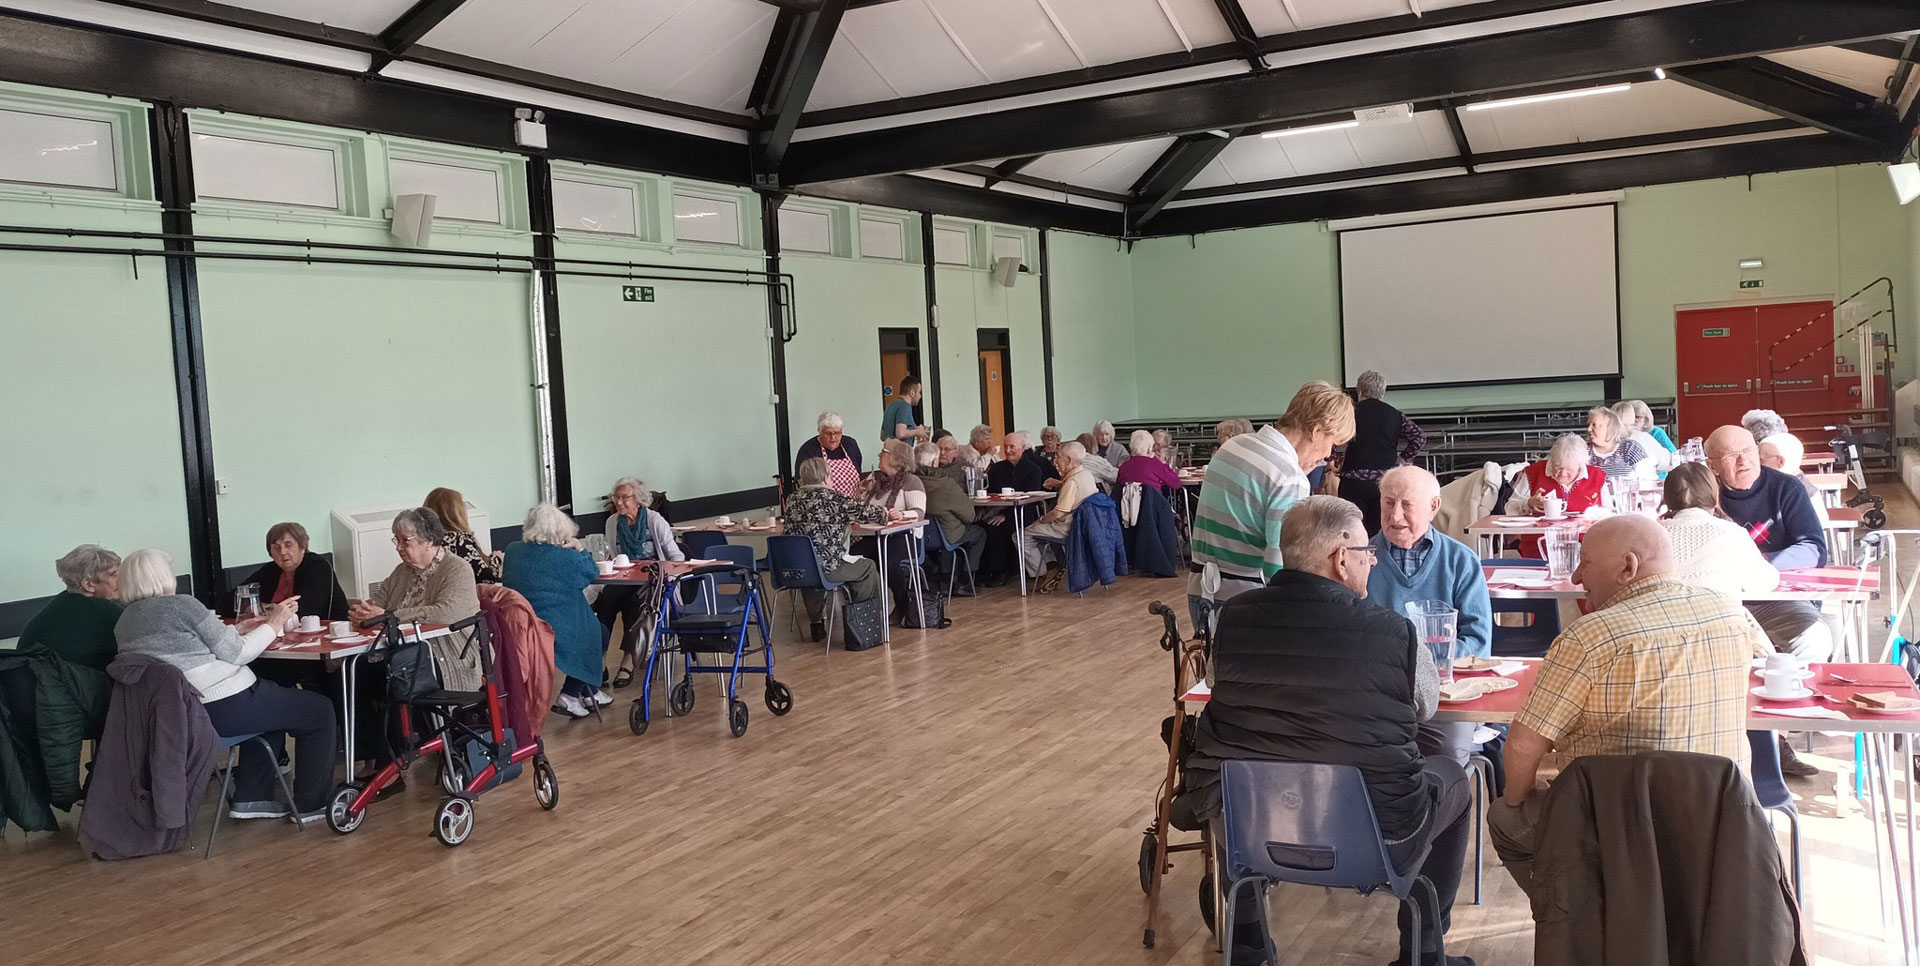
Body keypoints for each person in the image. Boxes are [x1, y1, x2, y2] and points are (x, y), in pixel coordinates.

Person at [1174, 496, 1469, 966]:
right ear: (1340, 559)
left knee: (1239, 783)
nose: (1371, 562)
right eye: (1367, 554)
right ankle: (1423, 948)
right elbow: (1425, 706)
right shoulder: (1394, 631)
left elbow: (1220, 681)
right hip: (1375, 832)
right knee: (1454, 777)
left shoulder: (1231, 619)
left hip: (1250, 828)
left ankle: (1248, 944)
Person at [1489, 516, 1768, 897]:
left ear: (1628, 567)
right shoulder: (1733, 614)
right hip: (1725, 820)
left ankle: (1582, 924)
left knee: (1505, 816)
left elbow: (1522, 746)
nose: (1575, 577)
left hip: (1613, 830)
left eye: (1584, 562)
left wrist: (1520, 798)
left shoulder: (1590, 636)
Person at [113, 548, 336, 821]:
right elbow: (239, 654)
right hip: (224, 705)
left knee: (272, 708)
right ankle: (311, 805)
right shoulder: (182, 605)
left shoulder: (125, 621)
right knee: (319, 709)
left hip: (179, 716)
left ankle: (253, 800)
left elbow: (184, 649)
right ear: (163, 576)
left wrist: (235, 631)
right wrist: (274, 621)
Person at [1189, 381, 1356, 635]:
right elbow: (1279, 572)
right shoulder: (1288, 476)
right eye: (1333, 443)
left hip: (1199, 594)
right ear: (1317, 430)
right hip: (1244, 607)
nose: (1328, 455)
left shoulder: (1232, 446)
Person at [1366, 467, 1492, 765]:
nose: (1395, 516)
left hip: (1444, 700)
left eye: (1407, 505)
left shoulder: (1461, 561)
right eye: (1388, 503)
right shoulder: (1361, 559)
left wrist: (1418, 665)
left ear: (1433, 507)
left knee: (1445, 762)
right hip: (1379, 697)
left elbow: (1478, 642)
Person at [1703, 425, 1831, 660]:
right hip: (1719, 601)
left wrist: (1757, 566)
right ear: (1713, 466)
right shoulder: (1704, 494)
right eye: (1731, 455)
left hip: (1776, 599)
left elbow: (1813, 548)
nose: (1743, 460)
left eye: (1748, 450)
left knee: (1816, 641)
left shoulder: (1786, 488)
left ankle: (1790, 694)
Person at [348, 507, 484, 688]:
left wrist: (389, 616)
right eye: (396, 540)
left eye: (405, 541)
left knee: (388, 674)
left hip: (447, 655)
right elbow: (378, 603)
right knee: (351, 670)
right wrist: (364, 612)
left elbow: (447, 613)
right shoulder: (401, 572)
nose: (398, 547)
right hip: (402, 652)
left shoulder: (457, 569)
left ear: (428, 541)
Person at [502, 503, 602, 720]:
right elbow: (592, 572)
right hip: (554, 626)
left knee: (590, 628)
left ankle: (591, 691)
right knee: (597, 633)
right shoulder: (566, 557)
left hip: (521, 624)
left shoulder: (513, 550)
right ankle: (570, 695)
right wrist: (580, 548)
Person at [785, 457, 893, 644]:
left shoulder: (792, 499)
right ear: (827, 477)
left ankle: (816, 623)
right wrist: (885, 511)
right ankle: (861, 622)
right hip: (829, 567)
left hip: (797, 570)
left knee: (810, 566)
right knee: (867, 567)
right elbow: (872, 514)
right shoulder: (835, 498)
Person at [596, 476, 686, 690]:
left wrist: (666, 574)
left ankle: (628, 663)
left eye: (624, 498)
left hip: (653, 582)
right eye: (616, 498)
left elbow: (676, 557)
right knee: (603, 605)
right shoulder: (612, 523)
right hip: (624, 579)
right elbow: (613, 556)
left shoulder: (654, 521)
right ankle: (599, 663)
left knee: (637, 606)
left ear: (638, 499)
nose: (619, 503)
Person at [1659, 462, 1779, 597]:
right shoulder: (1732, 533)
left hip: (1661, 615)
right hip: (1721, 615)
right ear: (1714, 495)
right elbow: (1763, 582)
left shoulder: (1652, 534)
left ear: (1667, 498)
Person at [1338, 369, 1428, 536]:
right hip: (1384, 483)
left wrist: (1334, 460)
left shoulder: (1349, 413)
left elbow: (1333, 437)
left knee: (1350, 531)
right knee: (1380, 533)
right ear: (1383, 392)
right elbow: (1419, 437)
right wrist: (1403, 460)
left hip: (1353, 481)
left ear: (1359, 391)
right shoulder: (1395, 415)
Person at [18, 545, 122, 672]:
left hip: (33, 684)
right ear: (89, 584)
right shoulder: (107, 611)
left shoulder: (58, 602)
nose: (120, 579)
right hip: (75, 686)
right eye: (113, 574)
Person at [1505, 434, 1605, 559]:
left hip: (1586, 550)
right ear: (1551, 460)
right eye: (1558, 467)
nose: (1563, 474)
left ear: (1581, 465)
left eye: (1569, 470)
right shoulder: (1533, 472)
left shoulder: (1597, 476)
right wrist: (1529, 503)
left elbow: (1609, 513)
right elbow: (1509, 508)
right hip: (1539, 548)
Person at [1019, 441, 1099, 592]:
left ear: (1069, 460)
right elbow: (1075, 487)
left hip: (1067, 528)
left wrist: (1040, 520)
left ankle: (1042, 572)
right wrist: (1060, 483)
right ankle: (1052, 563)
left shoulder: (1072, 483)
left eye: (1058, 457)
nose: (1055, 460)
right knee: (1038, 534)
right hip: (1083, 526)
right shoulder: (1086, 474)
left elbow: (1058, 513)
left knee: (1021, 535)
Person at [231, 522, 349, 621]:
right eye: (276, 547)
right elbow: (229, 602)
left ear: (302, 547)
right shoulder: (271, 570)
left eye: (288, 545)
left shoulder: (317, 567)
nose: (282, 552)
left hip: (328, 637)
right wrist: (272, 608)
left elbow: (306, 613)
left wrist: (263, 609)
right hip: (282, 639)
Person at [915, 442, 986, 588]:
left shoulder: (912, 481)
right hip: (948, 535)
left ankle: (944, 578)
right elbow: (970, 516)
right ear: (935, 461)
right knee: (979, 533)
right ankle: (966, 580)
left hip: (920, 537)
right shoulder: (946, 484)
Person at [796, 411, 864, 497]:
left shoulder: (850, 444)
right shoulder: (808, 450)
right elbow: (802, 483)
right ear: (819, 431)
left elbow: (858, 472)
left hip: (852, 504)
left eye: (837, 433)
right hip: (823, 506)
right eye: (828, 434)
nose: (833, 438)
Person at [1584, 405, 1648, 481]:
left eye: (1594, 425)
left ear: (1610, 427)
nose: (1589, 429)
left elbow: (1647, 479)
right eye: (1588, 425)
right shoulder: (1583, 451)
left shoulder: (1630, 448)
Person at [1117, 429, 1183, 494]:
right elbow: (1176, 483)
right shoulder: (1155, 464)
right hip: (1153, 503)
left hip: (1128, 504)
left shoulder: (1123, 467)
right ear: (1149, 448)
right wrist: (1163, 463)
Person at [1612, 399, 1677, 456]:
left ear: (1646, 419)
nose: (1633, 420)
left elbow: (1674, 454)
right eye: (1631, 416)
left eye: (1637, 417)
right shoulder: (1620, 434)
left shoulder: (1656, 432)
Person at [882, 375, 929, 444]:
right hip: (901, 452)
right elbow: (900, 433)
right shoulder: (905, 406)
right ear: (912, 393)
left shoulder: (890, 405)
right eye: (919, 392)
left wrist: (912, 428)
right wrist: (918, 431)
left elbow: (882, 436)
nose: (920, 396)